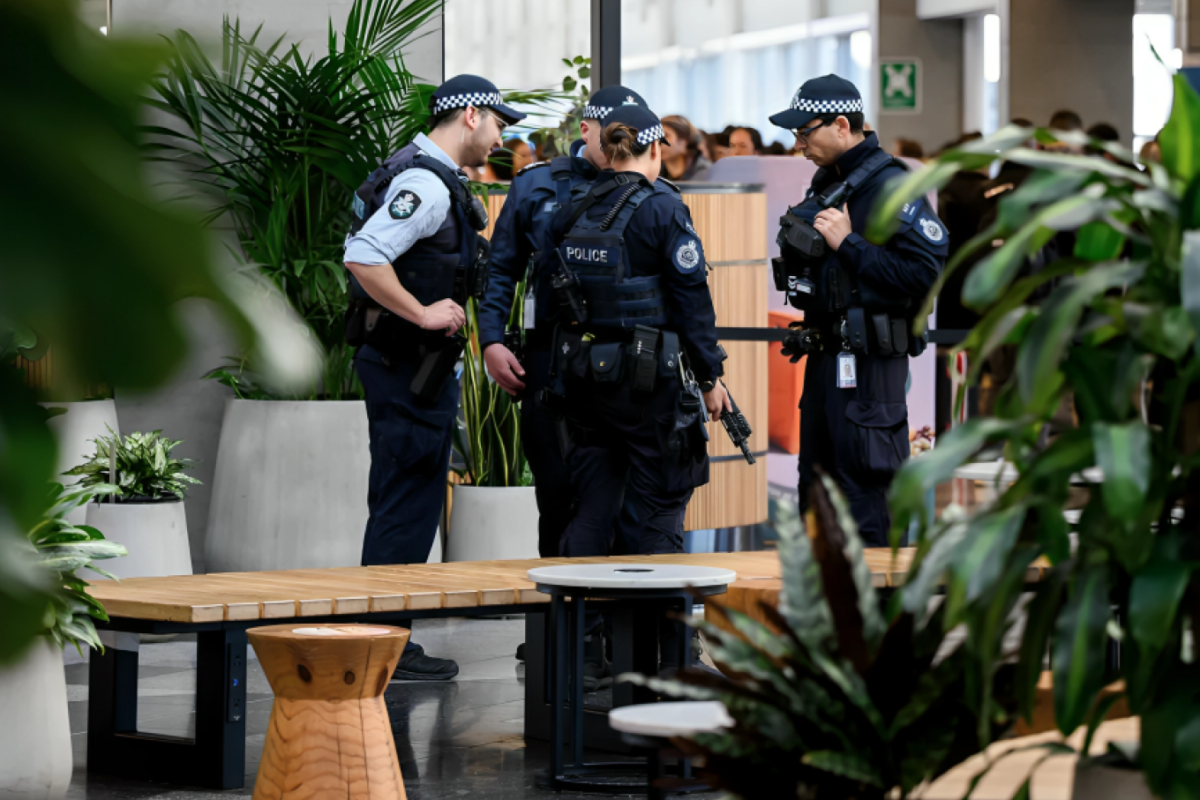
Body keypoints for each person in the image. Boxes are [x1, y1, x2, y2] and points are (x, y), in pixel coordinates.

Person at [342, 74, 525, 680]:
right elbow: (364, 255)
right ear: (470, 115)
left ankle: (382, 636)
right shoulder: (425, 182)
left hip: (403, 366)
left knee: (403, 494)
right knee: (408, 499)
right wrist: (421, 312)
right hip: (407, 368)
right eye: (498, 123)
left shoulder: (421, 172)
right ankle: (382, 643)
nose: (501, 137)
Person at [547, 103, 730, 674]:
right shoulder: (661, 211)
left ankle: (581, 652)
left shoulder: (570, 208)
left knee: (593, 510)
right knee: (660, 510)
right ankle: (671, 665)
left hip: (584, 382)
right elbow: (691, 303)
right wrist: (711, 376)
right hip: (651, 388)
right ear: (656, 149)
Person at [770, 74, 947, 546]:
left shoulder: (891, 185)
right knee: (818, 493)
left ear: (842, 125)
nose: (799, 144)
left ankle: (872, 616)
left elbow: (925, 275)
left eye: (805, 133)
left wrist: (848, 244)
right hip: (827, 361)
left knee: (865, 495)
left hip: (870, 370)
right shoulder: (830, 181)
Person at [661, 114, 712, 180]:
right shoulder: (656, 172)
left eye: (666, 136)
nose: (658, 142)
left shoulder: (704, 172)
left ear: (684, 141)